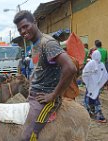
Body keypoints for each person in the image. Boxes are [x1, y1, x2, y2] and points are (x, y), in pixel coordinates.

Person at [13, 10, 76, 140]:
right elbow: (39, 69)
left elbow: (70, 68)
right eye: (20, 29)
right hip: (34, 96)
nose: (23, 31)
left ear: (35, 23)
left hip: (45, 100)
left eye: (25, 26)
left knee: (26, 136)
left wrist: (54, 94)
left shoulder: (47, 43)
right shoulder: (34, 45)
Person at [82, 50, 108, 123]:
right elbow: (105, 75)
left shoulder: (90, 63)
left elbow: (84, 73)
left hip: (90, 84)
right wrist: (100, 84)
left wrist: (87, 81)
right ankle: (93, 113)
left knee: (90, 98)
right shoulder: (101, 64)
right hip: (97, 86)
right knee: (94, 98)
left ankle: (98, 115)